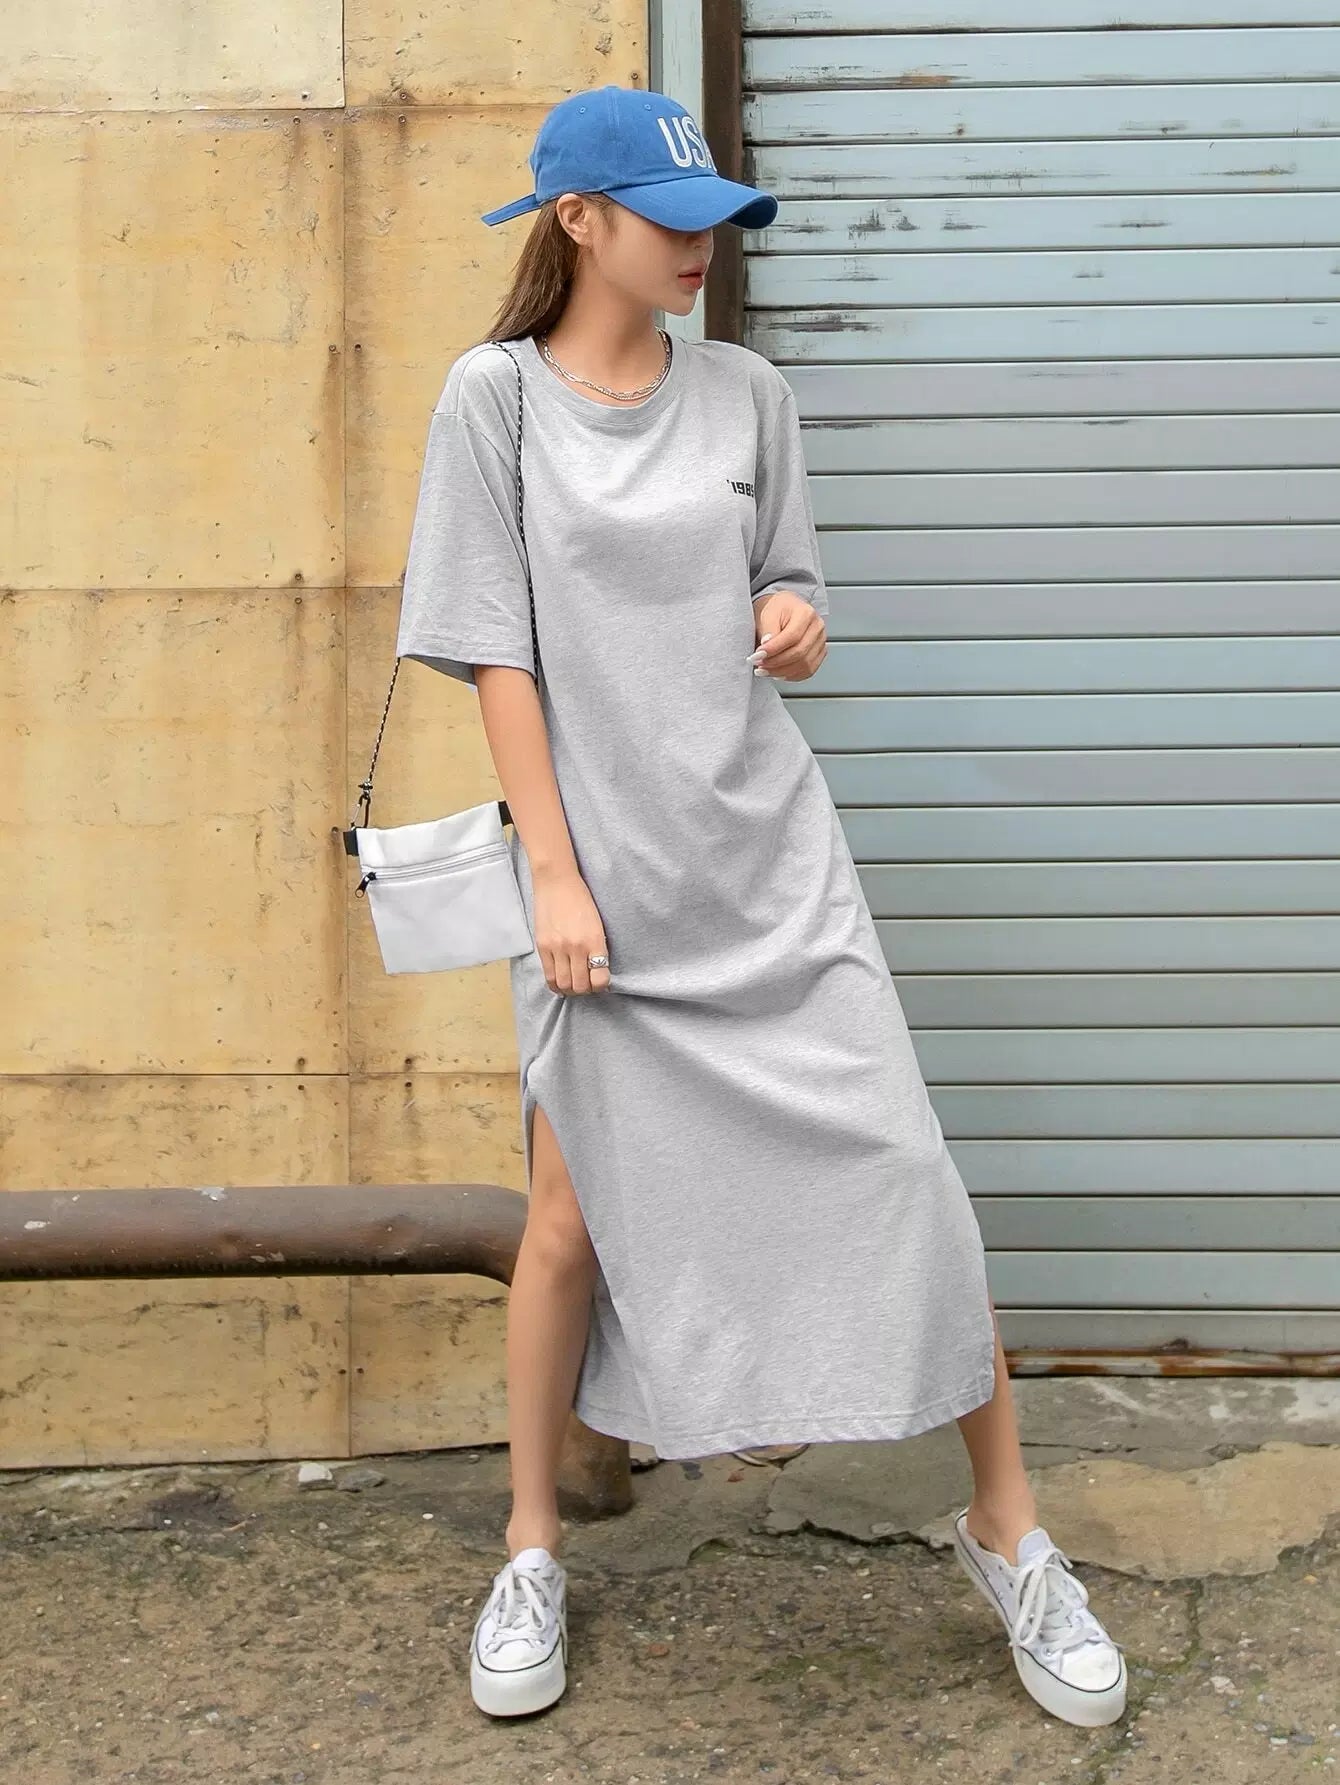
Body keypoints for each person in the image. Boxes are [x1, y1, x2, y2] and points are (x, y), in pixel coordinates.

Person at [394, 83, 1127, 1732]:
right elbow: (494, 650)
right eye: (672, 220)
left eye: (717, 221)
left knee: (910, 1175)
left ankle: (1010, 1531)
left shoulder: (748, 393)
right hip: (602, 891)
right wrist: (554, 874)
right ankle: (529, 1550)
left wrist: (794, 616)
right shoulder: (491, 399)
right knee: (568, 1221)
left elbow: (790, 585)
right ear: (577, 219)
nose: (703, 250)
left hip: (771, 865)